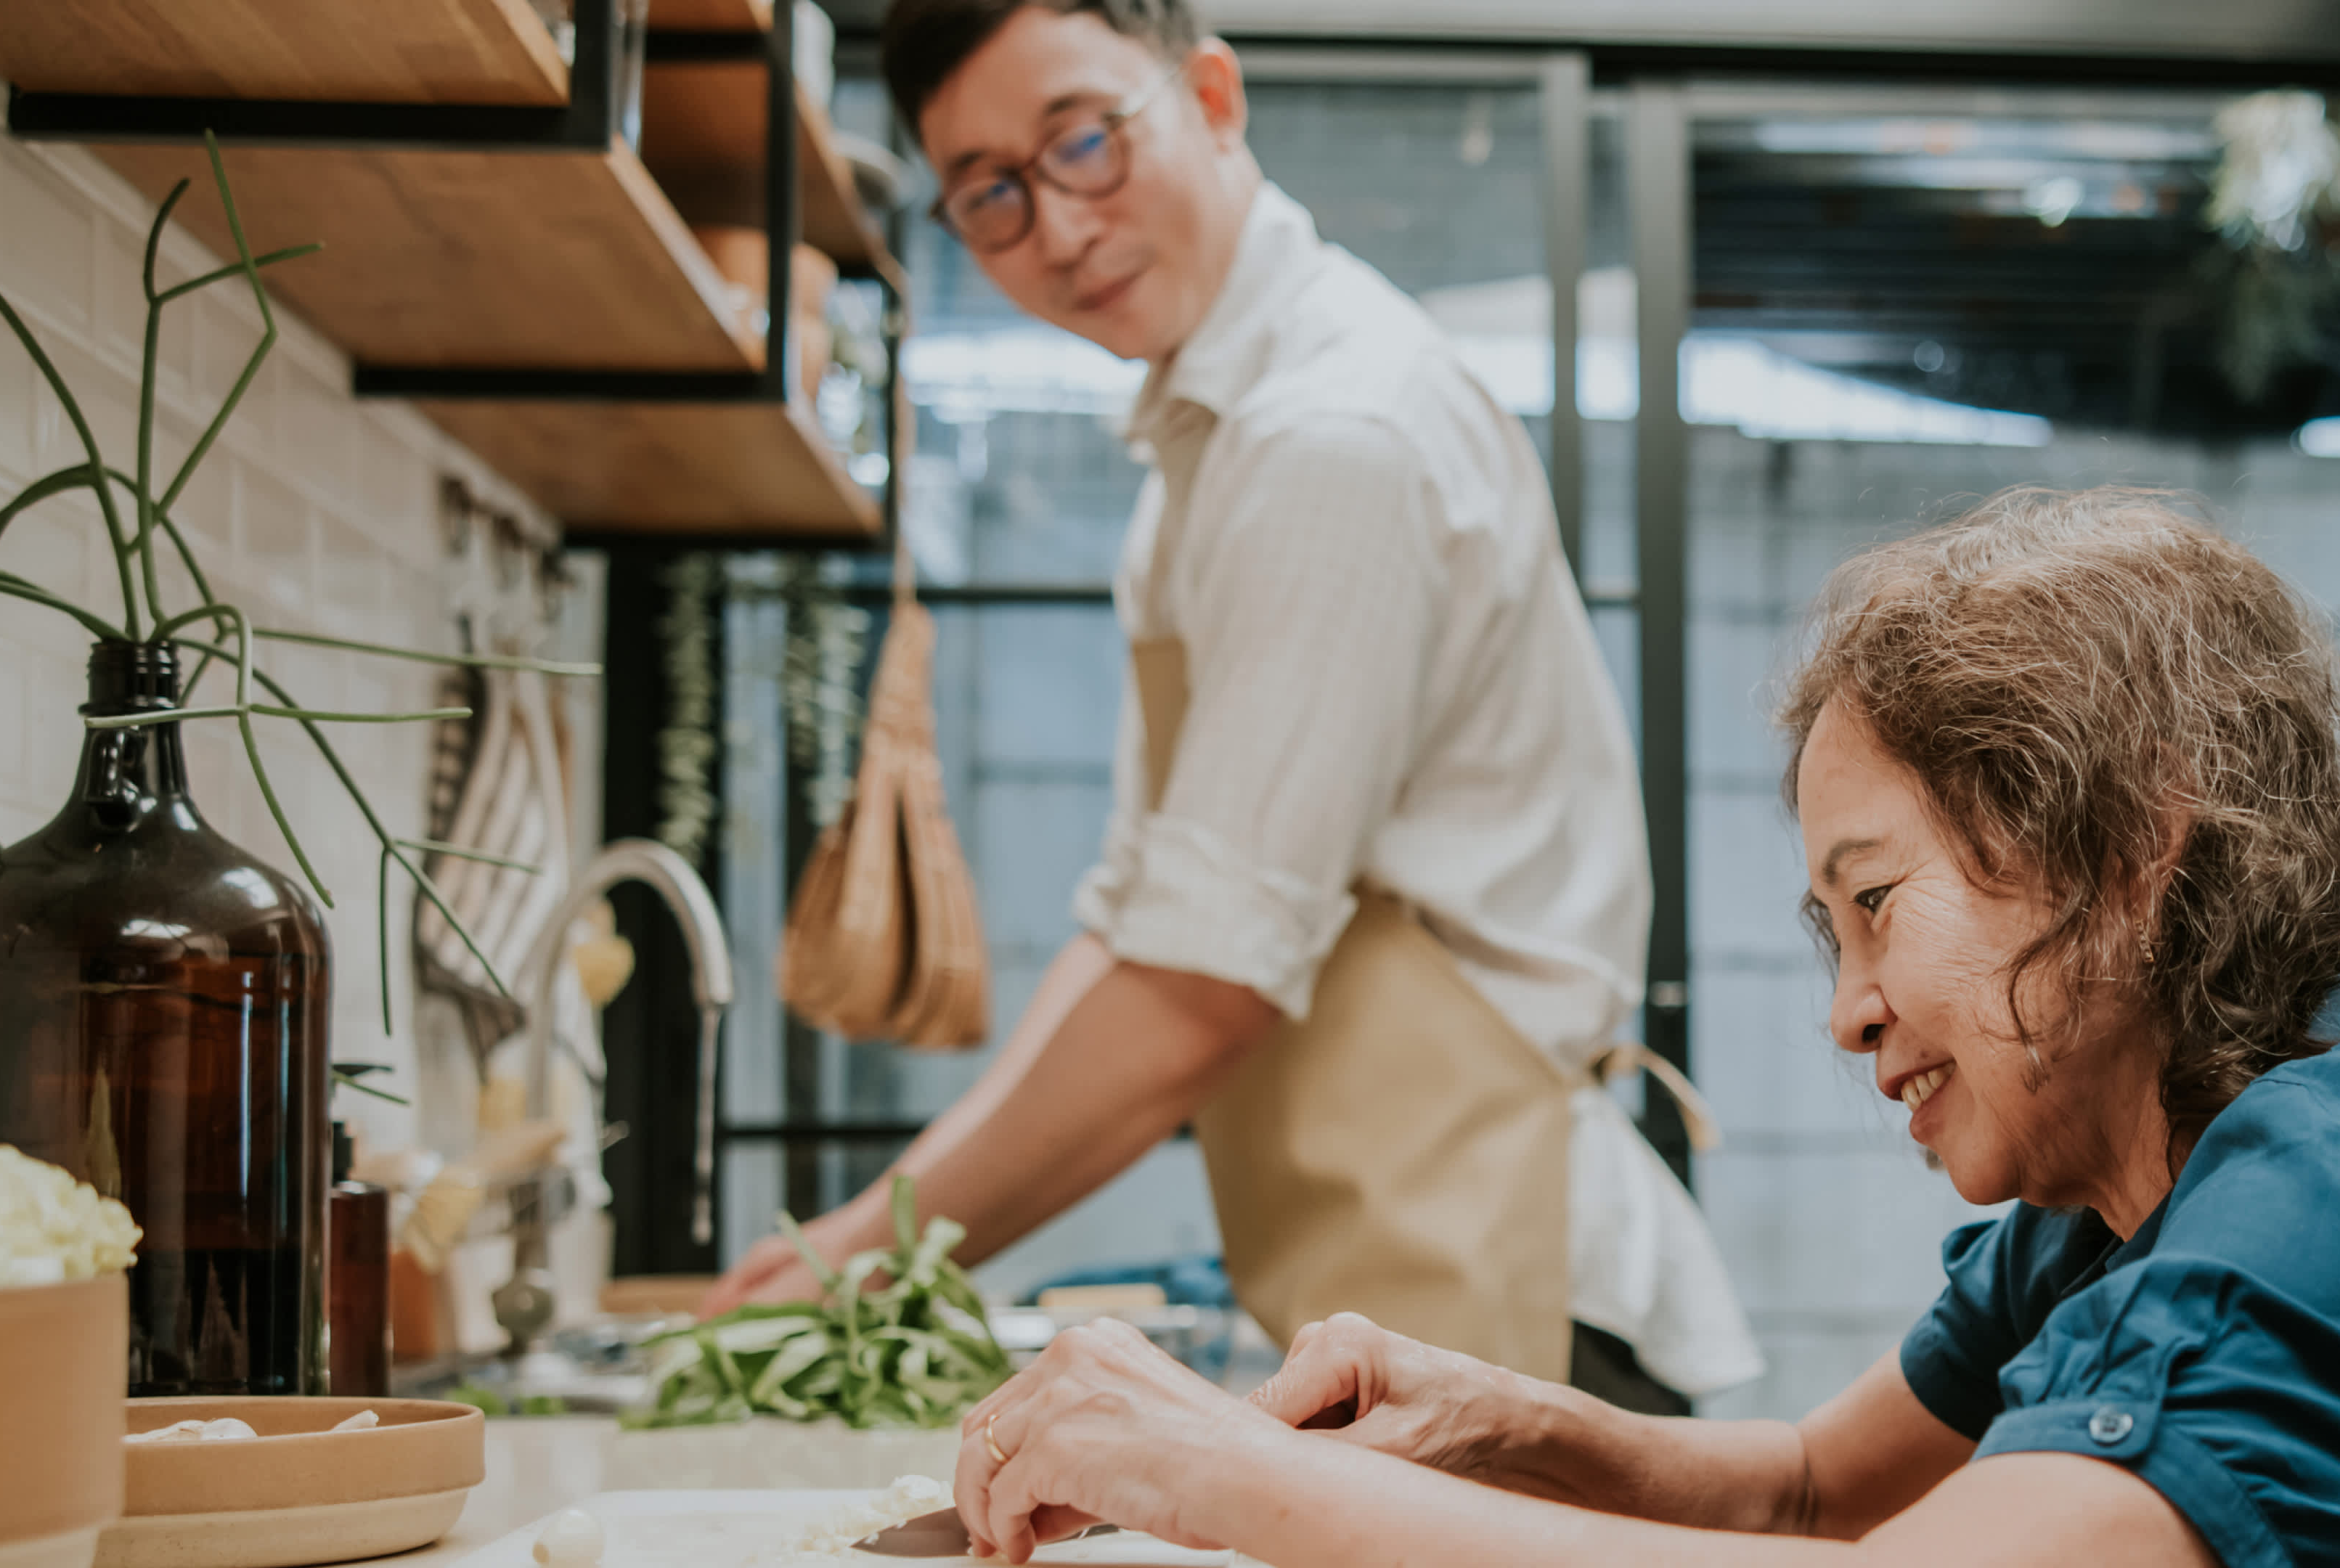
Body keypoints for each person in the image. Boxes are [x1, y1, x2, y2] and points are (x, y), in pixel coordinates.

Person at [934, 488, 2340, 1567]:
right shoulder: (2108, 1214)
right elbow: (1812, 1491)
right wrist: (1515, 1427)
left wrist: (1219, 1472)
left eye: (1877, 905)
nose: (1846, 1012)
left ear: (2131, 850)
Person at [698, 0, 1761, 1413]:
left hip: (1513, 1298)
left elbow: (1201, 989)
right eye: (993, 195)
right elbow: (1142, 912)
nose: (1060, 228)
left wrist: (883, 1253)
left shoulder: (1330, 436)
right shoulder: (1210, 446)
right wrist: (883, 1226)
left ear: (1209, 94)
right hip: (1406, 1282)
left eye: (1083, 141)